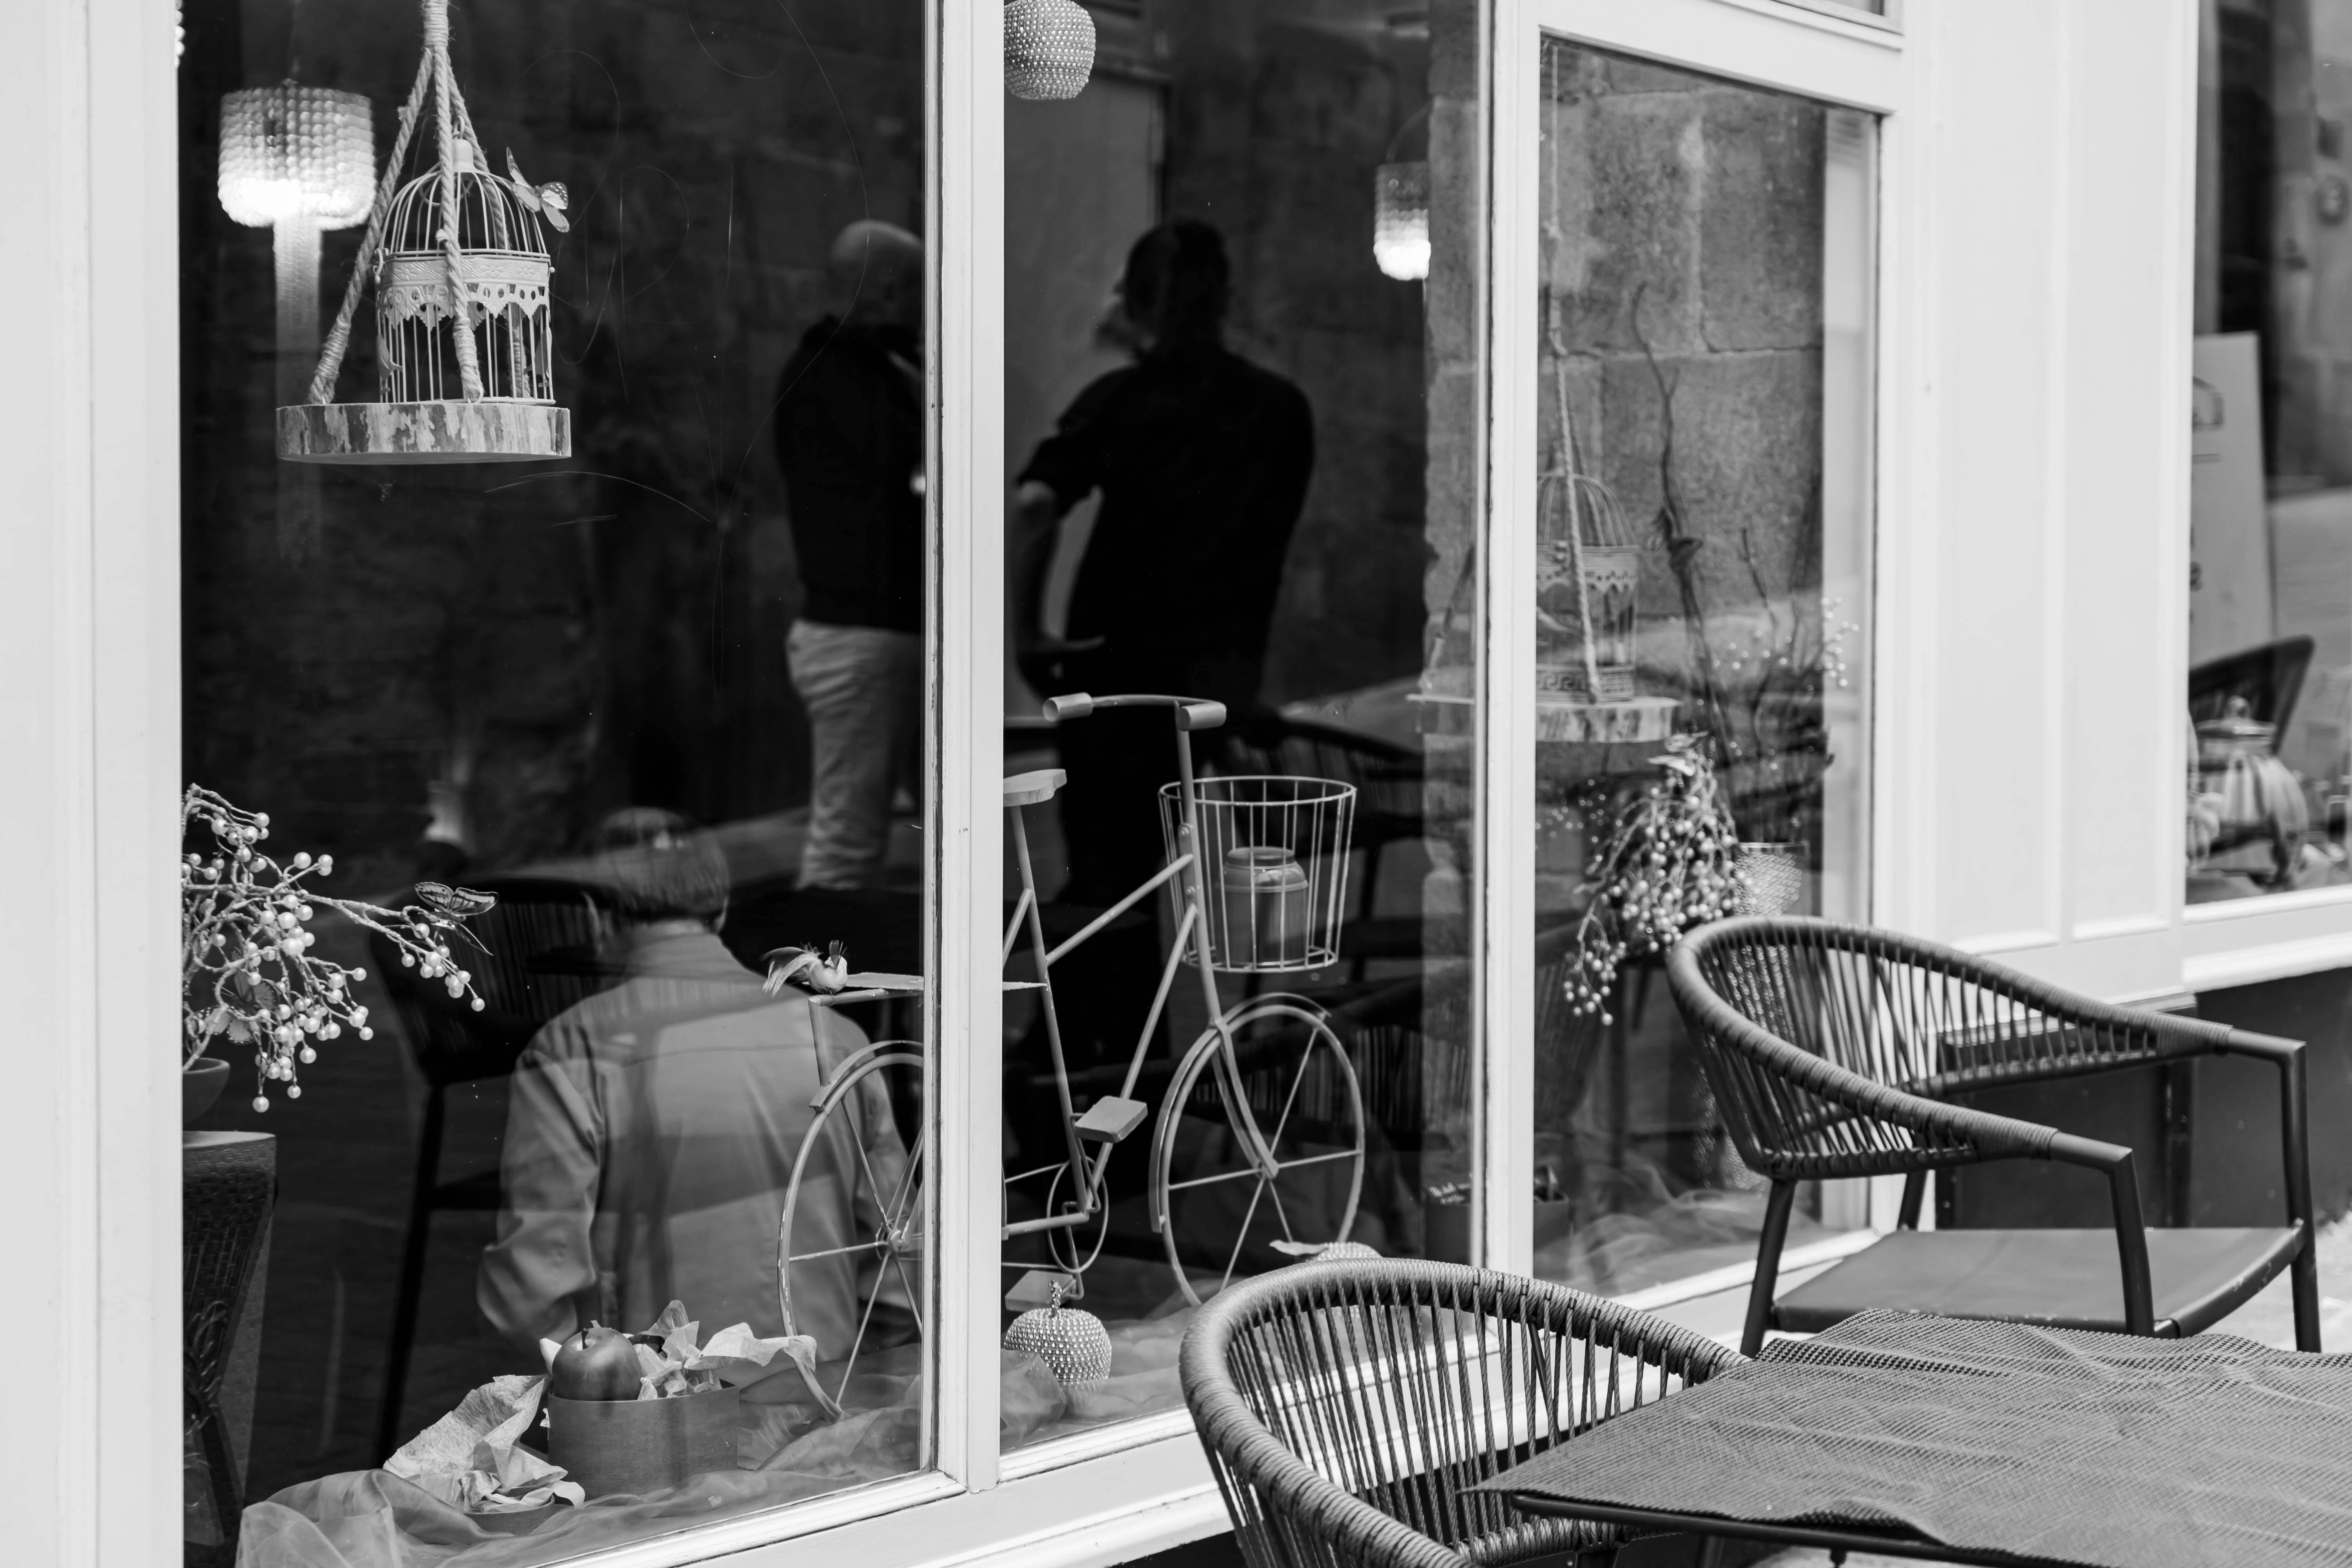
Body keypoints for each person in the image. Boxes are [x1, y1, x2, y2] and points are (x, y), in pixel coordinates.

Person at [1010, 218, 1316, 1068]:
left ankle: (1070, 1074)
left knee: (1111, 881)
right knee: (1130, 881)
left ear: (1141, 300)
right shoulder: (1280, 411)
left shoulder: (1124, 400)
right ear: (1225, 299)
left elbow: (1036, 502)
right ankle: (1097, 1077)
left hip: (1119, 676)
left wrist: (1026, 630)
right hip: (1213, 681)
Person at [477, 808, 911, 1368]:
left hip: (666, 1423)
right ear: (723, 908)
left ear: (592, 915)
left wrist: (606, 1391)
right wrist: (858, 1379)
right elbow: (904, 1254)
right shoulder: (834, 1036)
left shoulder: (576, 1051)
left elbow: (529, 1294)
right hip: (822, 1401)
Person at [775, 220, 927, 892]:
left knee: (871, 837)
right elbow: (902, 469)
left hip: (870, 631)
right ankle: (815, 998)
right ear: (890, 293)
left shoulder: (857, 368)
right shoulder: (837, 374)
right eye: (922, 289)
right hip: (859, 634)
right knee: (845, 849)